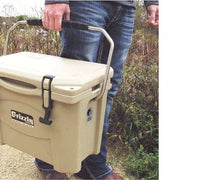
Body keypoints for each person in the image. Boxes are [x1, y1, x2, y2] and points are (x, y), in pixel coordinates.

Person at [34, 0, 159, 179]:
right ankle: (49, 159)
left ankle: (92, 164)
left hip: (125, 8)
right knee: (71, 88)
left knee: (106, 89)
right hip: (87, 4)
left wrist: (152, 2)